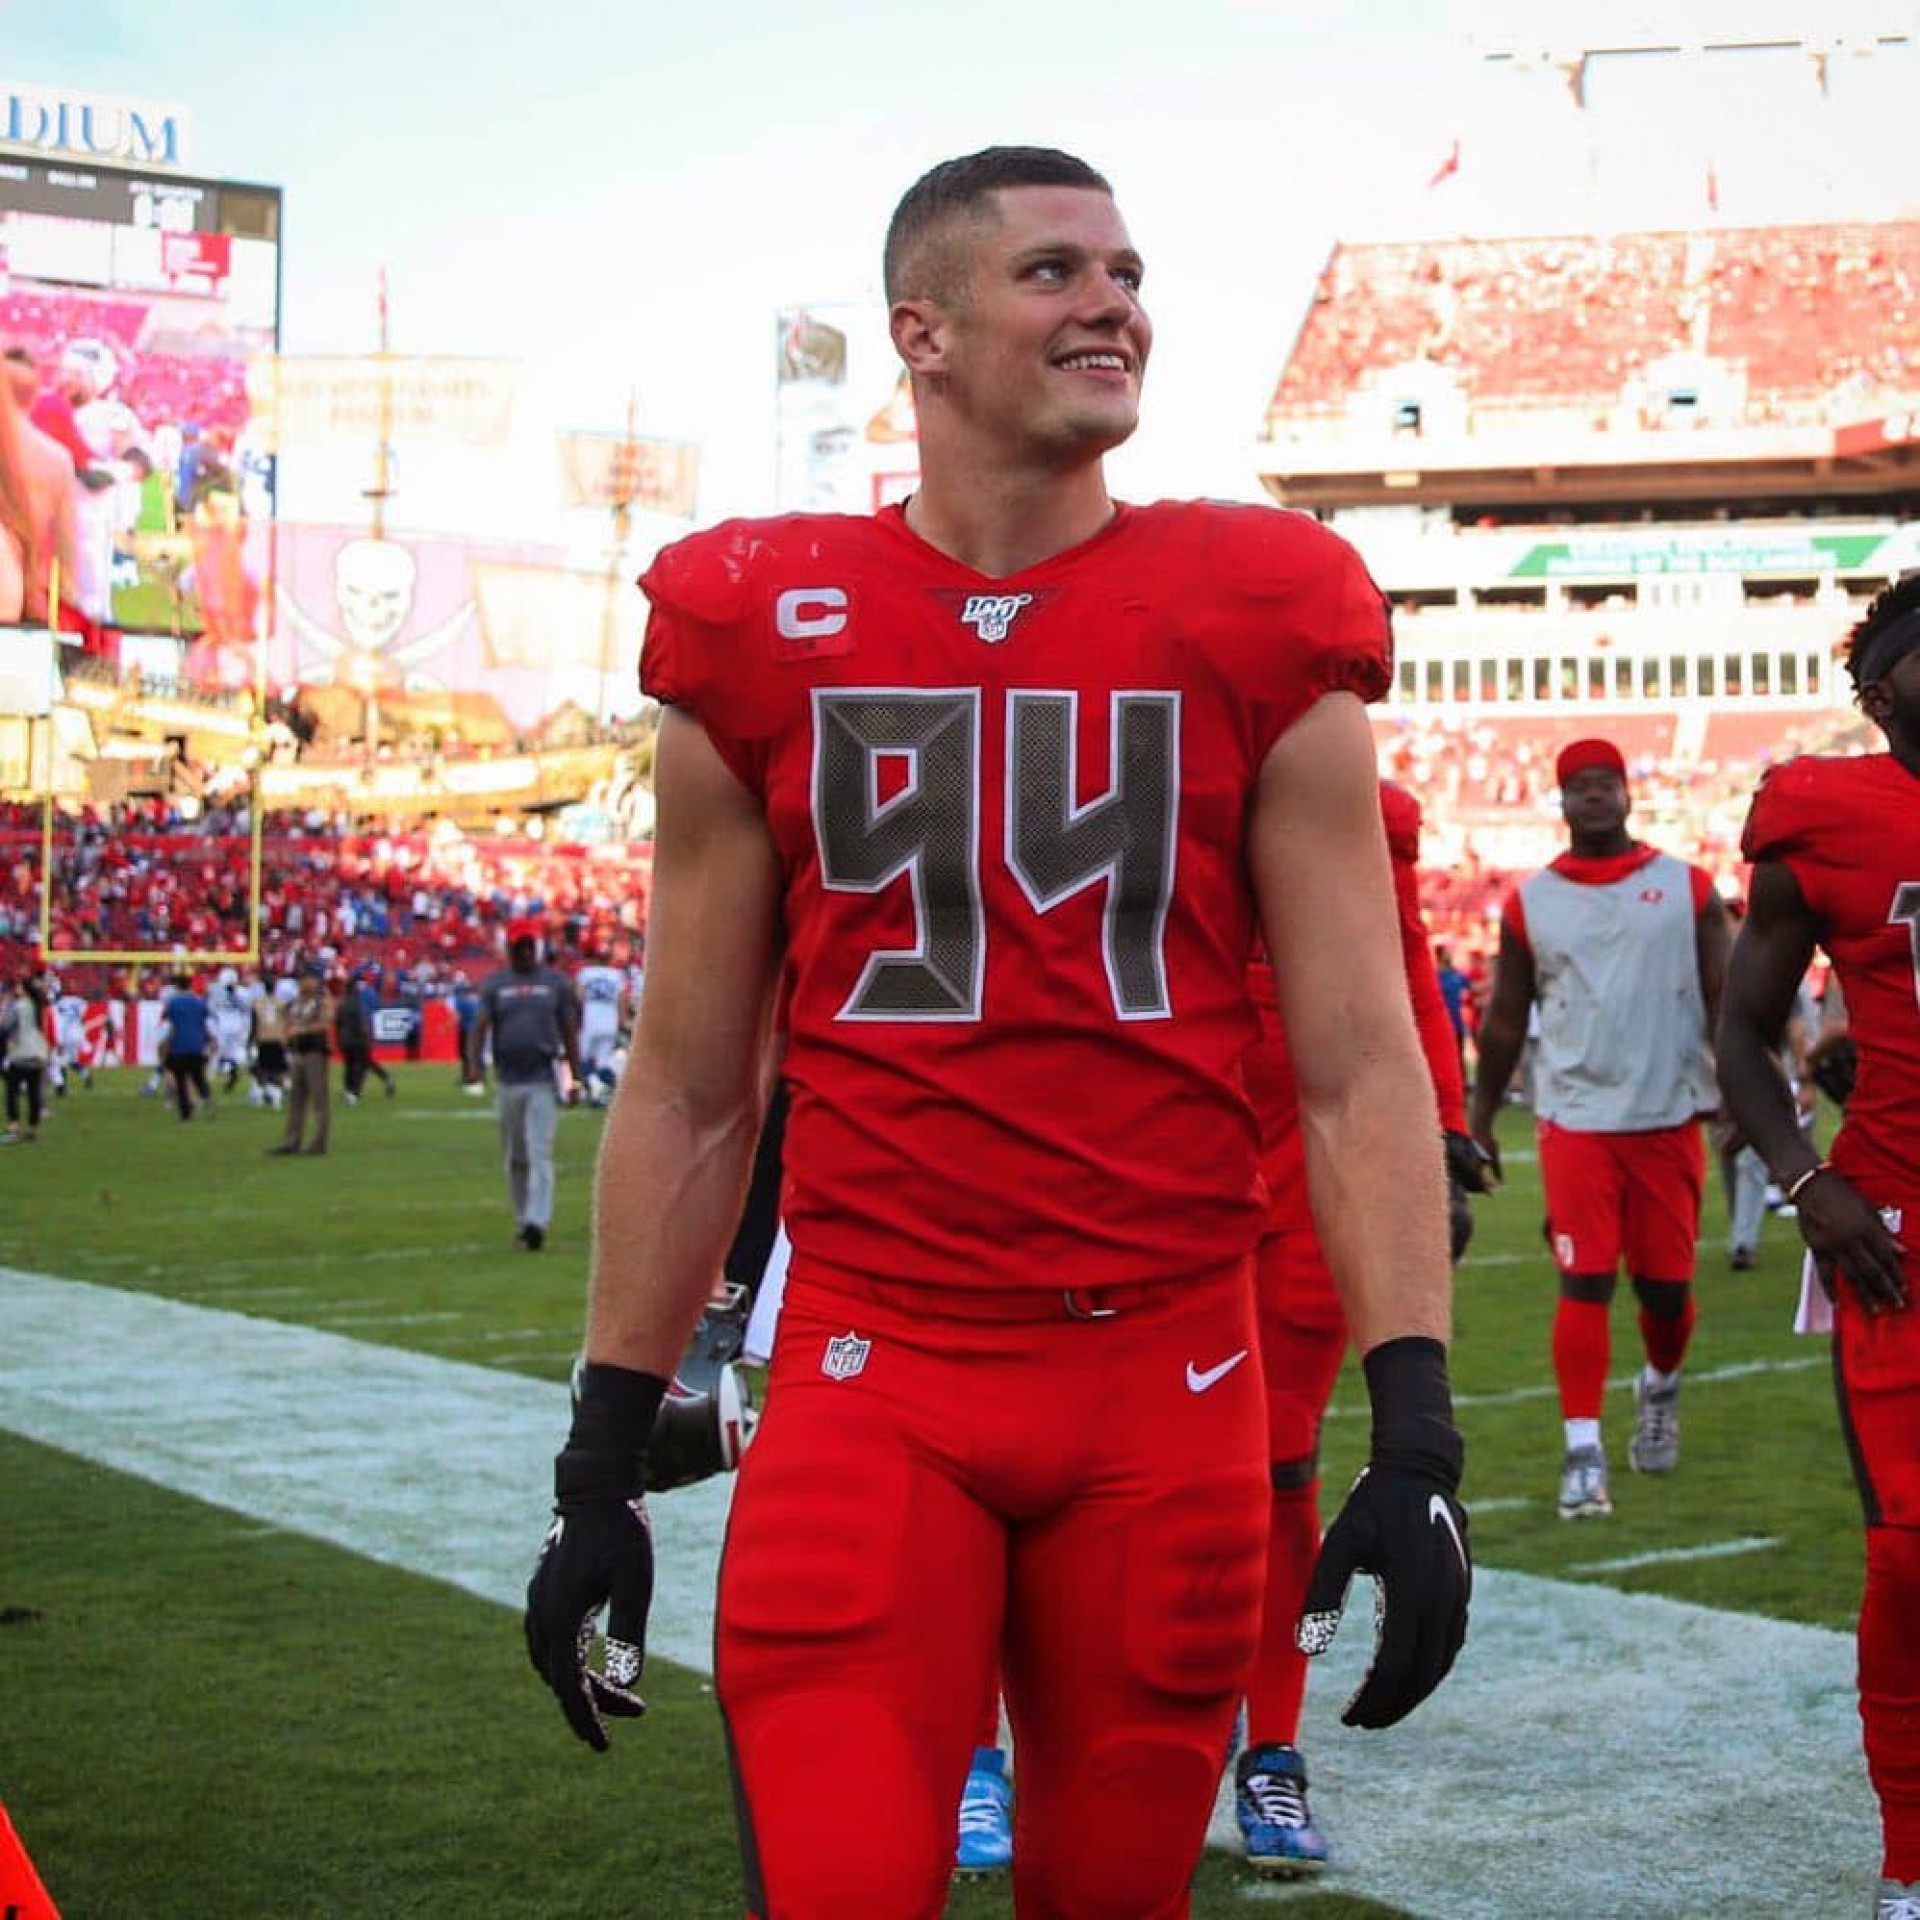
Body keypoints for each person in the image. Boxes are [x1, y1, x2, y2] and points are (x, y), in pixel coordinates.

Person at [521, 146, 1470, 1920]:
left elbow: (1356, 1066)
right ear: (925, 335)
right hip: (880, 1374)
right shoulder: (760, 615)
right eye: (1054, 272)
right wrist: (601, 1458)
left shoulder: (1256, 605)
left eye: (1125, 269)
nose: (1115, 300)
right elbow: (696, 1081)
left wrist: (1414, 1430)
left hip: (1171, 1381)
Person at [1234, 779, 1490, 1878]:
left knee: (1284, 1459)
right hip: (1138, 1142)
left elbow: (1401, 969)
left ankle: (1272, 1748)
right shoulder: (1141, 732)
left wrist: (1437, 1127)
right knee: (1069, 1452)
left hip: (1306, 1154)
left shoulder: (1357, 800)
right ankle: (982, 1751)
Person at [1716, 574, 1920, 1920]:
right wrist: (1802, 1179)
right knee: (1909, 1556)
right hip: (1896, 1233)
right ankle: (1911, 1856)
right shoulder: (1827, 815)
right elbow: (1739, 1030)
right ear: (1881, 688)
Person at [1467, 736, 1730, 1519]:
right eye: (1576, 785)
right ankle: (1582, 1449)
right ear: (1559, 799)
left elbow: (1728, 1003)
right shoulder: (1530, 901)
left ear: (1626, 792)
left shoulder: (1687, 887)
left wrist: (1750, 1096)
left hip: (1668, 1113)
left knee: (1667, 1293)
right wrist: (1479, 1118)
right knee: (1584, 1279)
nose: (1591, 796)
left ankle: (1660, 1384)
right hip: (1574, 1117)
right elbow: (1507, 1020)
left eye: (1603, 783)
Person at [468, 918, 580, 1250]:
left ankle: (537, 1221)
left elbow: (569, 1030)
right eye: (520, 946)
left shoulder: (555, 984)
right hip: (508, 1080)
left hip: (543, 1078)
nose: (526, 952)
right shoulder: (496, 985)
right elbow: (480, 1027)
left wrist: (575, 1077)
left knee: (539, 1151)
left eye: (530, 945)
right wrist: (474, 1064)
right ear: (510, 948)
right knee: (516, 1157)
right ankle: (523, 1219)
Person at [269, 963, 332, 1156]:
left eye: (306, 979)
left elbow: (325, 1023)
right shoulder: (295, 1002)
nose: (303, 983)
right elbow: (286, 1020)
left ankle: (319, 1141)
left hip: (315, 1052)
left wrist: (302, 1029)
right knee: (296, 1099)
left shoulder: (322, 1000)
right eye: (301, 979)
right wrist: (286, 1033)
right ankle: (292, 1140)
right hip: (297, 1052)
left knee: (319, 1098)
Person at [1, 970, 52, 1142]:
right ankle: (33, 1129)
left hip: (21, 1053)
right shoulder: (37, 1004)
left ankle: (13, 1126)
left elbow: (5, 1027)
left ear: (23, 989)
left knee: (12, 1092)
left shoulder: (18, 1006)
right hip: (38, 1053)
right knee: (34, 1093)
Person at [158, 970, 214, 1124]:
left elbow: (170, 1026)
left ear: (177, 986)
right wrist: (210, 1042)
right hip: (197, 1046)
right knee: (197, 1076)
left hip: (179, 1046)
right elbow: (206, 1025)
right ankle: (206, 1098)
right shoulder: (199, 1002)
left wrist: (165, 1046)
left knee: (180, 1079)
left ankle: (186, 1114)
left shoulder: (173, 1003)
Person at [335, 970, 395, 1103]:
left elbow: (341, 1021)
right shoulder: (369, 992)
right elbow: (375, 1009)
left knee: (357, 1064)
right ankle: (384, 1079)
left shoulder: (348, 998)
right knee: (364, 1061)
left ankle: (352, 1091)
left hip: (356, 1035)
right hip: (363, 1033)